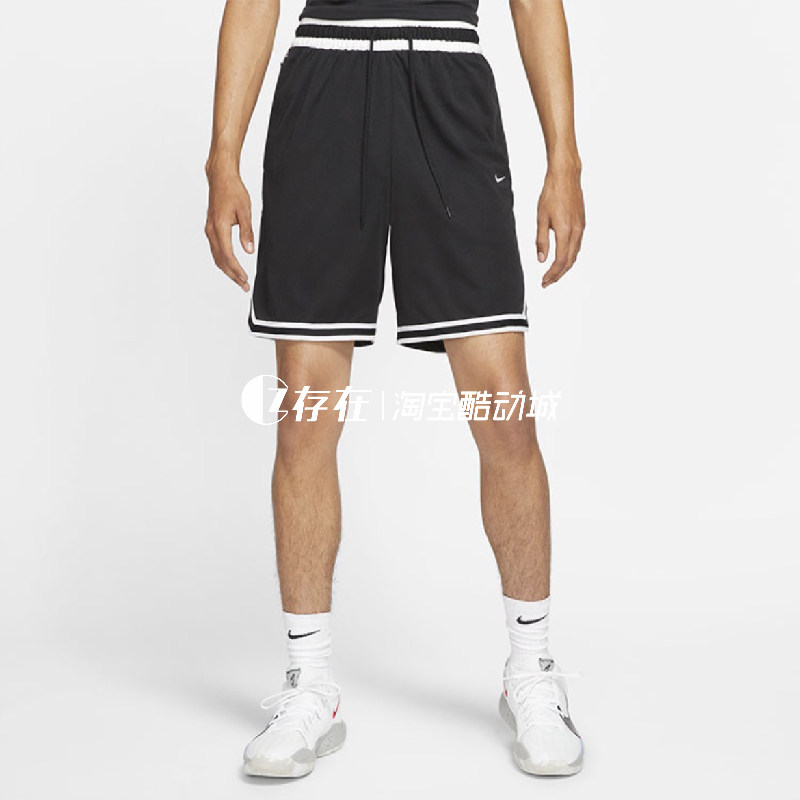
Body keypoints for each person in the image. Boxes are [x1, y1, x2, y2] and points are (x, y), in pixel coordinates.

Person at [205, 0, 586, 779]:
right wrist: (222, 155)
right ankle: (310, 685)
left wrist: (565, 160)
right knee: (304, 414)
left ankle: (532, 669)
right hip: (325, 88)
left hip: (448, 86)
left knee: (504, 412)